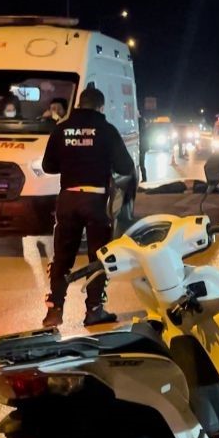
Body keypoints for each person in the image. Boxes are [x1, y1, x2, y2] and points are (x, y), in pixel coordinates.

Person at [40, 87, 137, 328]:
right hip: (96, 201)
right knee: (99, 256)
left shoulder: (61, 129)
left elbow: (48, 166)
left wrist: (72, 160)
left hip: (68, 198)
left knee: (62, 256)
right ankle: (94, 310)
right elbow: (126, 167)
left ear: (79, 105)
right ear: (101, 107)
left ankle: (54, 310)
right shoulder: (107, 131)